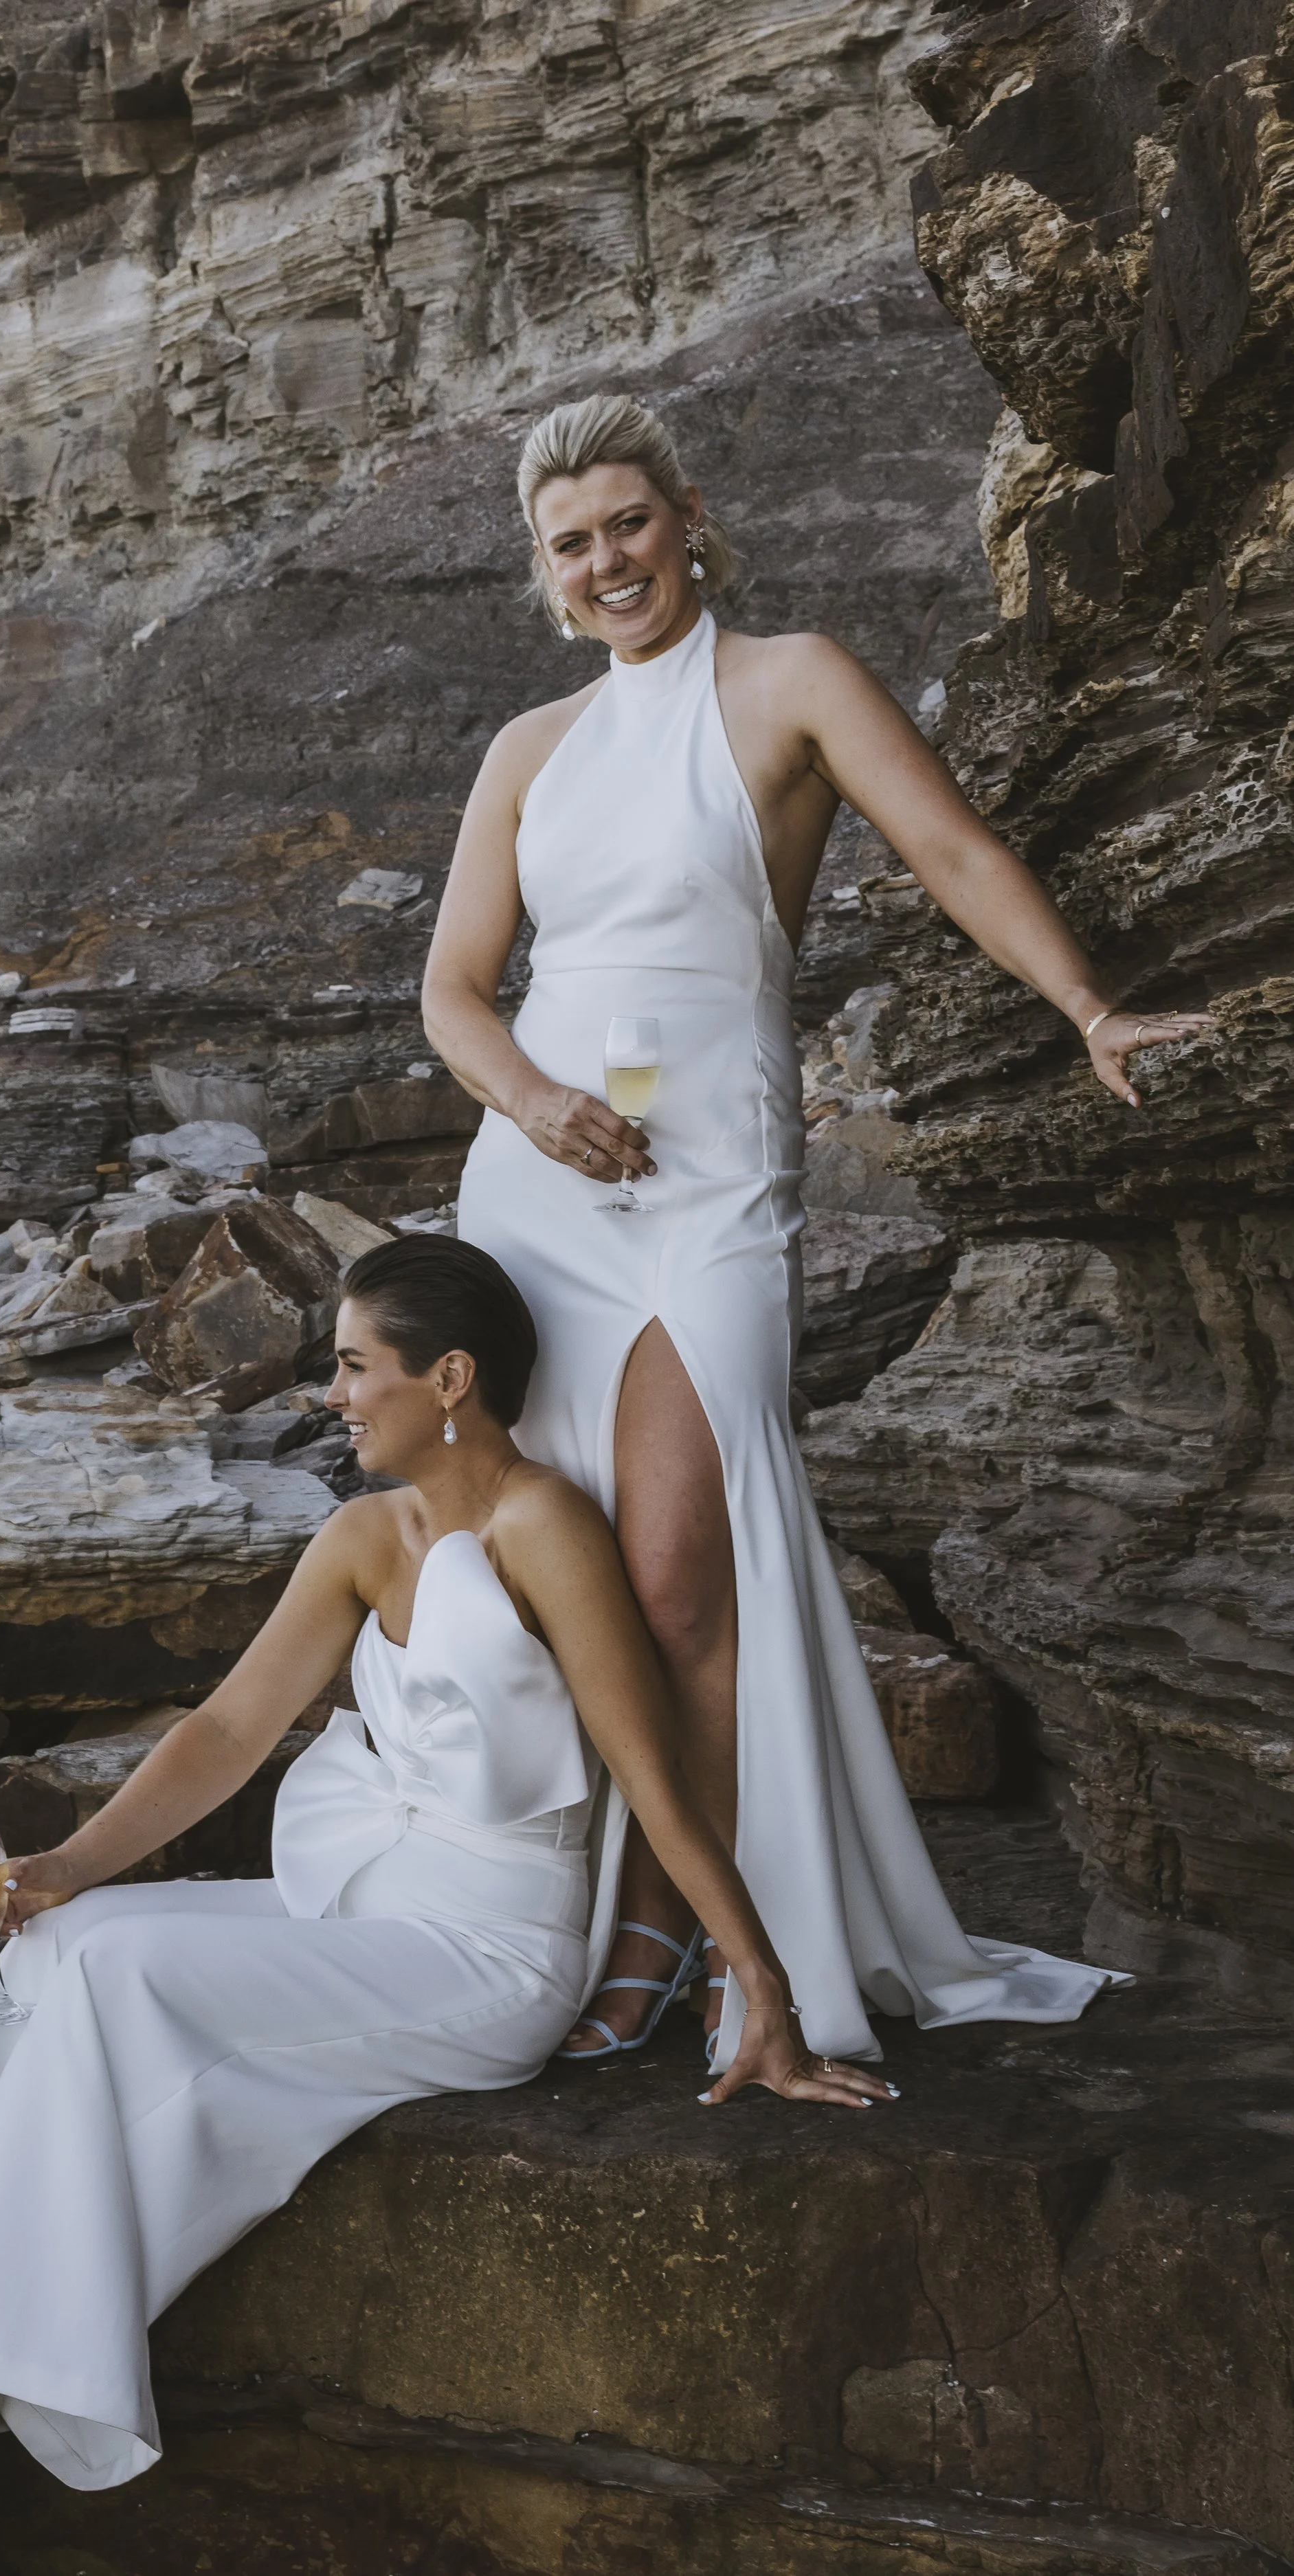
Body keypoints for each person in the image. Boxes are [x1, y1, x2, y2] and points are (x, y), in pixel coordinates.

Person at [0, 1236, 892, 2489]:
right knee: (64, 1947)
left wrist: (765, 1995)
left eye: (356, 1367)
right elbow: (230, 1730)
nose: (334, 1394)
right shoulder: (364, 1534)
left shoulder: (544, 1527)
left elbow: (654, 1776)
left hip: (488, 1955)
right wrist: (69, 1866)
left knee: (123, 1986)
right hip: (360, 1906)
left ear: (450, 1377)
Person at [425, 392, 1208, 2072]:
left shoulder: (790, 681)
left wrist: (1084, 1005)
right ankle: (611, 1927)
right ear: (543, 576)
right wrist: (534, 1105)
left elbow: (947, 845)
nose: (605, 559)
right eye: (570, 544)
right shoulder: (524, 753)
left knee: (676, 1576)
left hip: (711, 1179)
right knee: (563, 1585)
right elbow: (451, 991)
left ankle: (708, 1944)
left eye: (627, 523)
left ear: (686, 517)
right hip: (541, 1188)